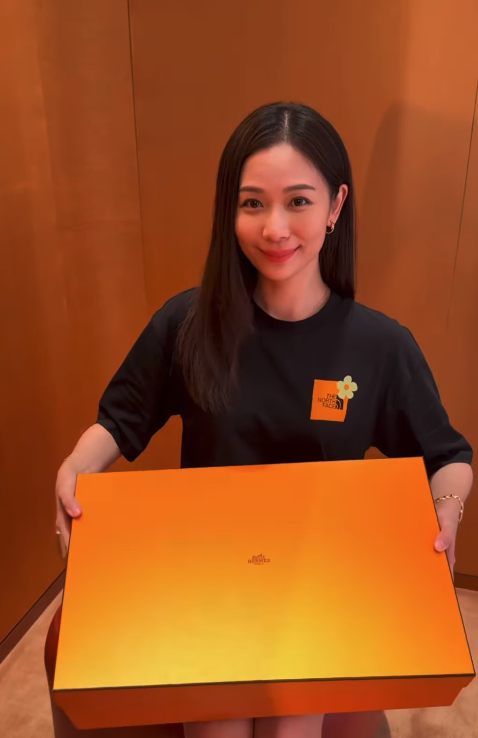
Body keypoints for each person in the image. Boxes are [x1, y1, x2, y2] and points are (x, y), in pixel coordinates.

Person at [55, 102, 473, 738]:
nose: (275, 228)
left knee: (293, 718)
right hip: (207, 583)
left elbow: (448, 456)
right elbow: (119, 420)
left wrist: (447, 508)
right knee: (217, 723)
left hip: (321, 587)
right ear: (231, 210)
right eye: (253, 203)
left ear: (335, 206)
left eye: (298, 201)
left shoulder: (380, 345)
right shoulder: (187, 324)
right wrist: (74, 467)